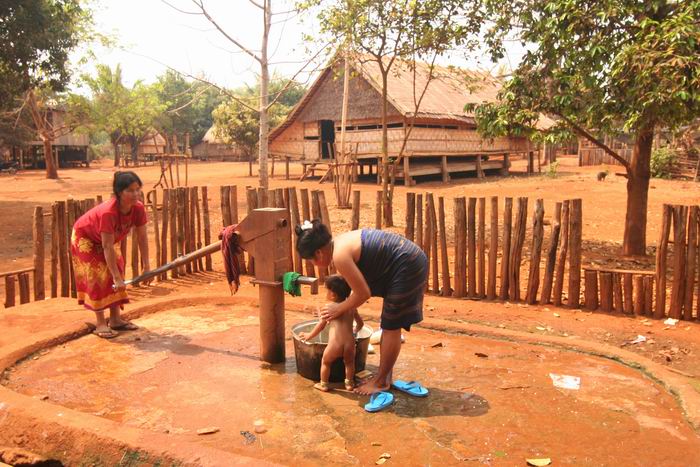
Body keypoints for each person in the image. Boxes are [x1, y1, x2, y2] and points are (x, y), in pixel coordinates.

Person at [295, 219, 428, 396]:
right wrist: (342, 308)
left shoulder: (340, 256)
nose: (313, 264)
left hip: (407, 264)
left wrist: (338, 309)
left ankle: (381, 382)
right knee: (389, 321)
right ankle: (384, 376)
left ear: (318, 253)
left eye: (311, 260)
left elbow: (363, 293)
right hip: (407, 259)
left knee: (391, 324)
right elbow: (354, 290)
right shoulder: (339, 245)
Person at [71, 171, 151, 339]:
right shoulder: (109, 212)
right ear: (119, 192)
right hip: (85, 237)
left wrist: (147, 266)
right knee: (98, 274)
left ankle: (115, 320)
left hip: (107, 239)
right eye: (130, 190)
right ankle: (101, 323)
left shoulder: (138, 208)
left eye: (138, 189)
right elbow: (107, 246)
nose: (136, 194)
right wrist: (115, 278)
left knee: (118, 267)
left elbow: (142, 237)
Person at [299, 274, 364, 392]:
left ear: (333, 295)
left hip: (335, 345)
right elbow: (360, 324)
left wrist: (309, 335)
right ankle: (349, 383)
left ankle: (323, 384)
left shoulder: (329, 308)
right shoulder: (351, 307)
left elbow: (321, 326)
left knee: (326, 362)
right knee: (349, 363)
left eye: (327, 291)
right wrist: (355, 331)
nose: (326, 294)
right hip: (350, 344)